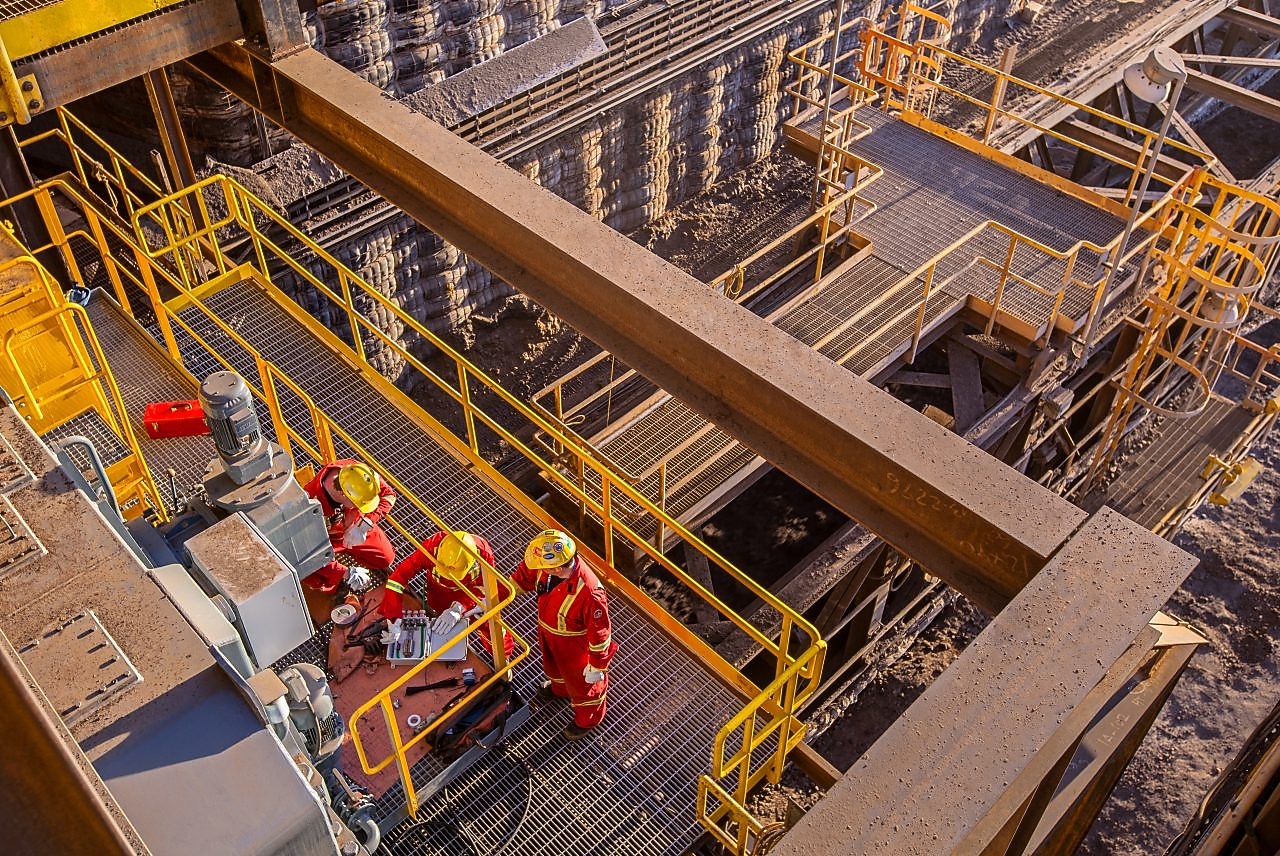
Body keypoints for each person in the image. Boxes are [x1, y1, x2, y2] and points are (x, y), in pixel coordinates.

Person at [511, 529, 617, 740]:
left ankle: (589, 718)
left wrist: (597, 666)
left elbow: (600, 634)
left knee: (583, 685)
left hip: (574, 646)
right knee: (554, 668)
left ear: (557, 567)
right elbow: (523, 577)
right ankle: (560, 689)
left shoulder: (589, 592)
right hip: (550, 634)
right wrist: (493, 596)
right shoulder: (547, 568)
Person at [382, 530, 514, 658]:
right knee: (441, 616)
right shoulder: (430, 548)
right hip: (439, 593)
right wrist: (393, 619)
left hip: (469, 595)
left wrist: (459, 608)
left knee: (487, 620)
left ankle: (504, 656)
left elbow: (488, 588)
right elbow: (397, 578)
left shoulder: (484, 555)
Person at [303, 459, 396, 593]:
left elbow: (389, 495)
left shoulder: (356, 473)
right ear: (343, 494)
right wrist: (345, 572)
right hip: (324, 539)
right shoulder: (309, 508)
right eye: (357, 503)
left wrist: (365, 524)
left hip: (356, 526)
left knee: (385, 558)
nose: (359, 507)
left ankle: (350, 551)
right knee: (318, 579)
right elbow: (306, 555)